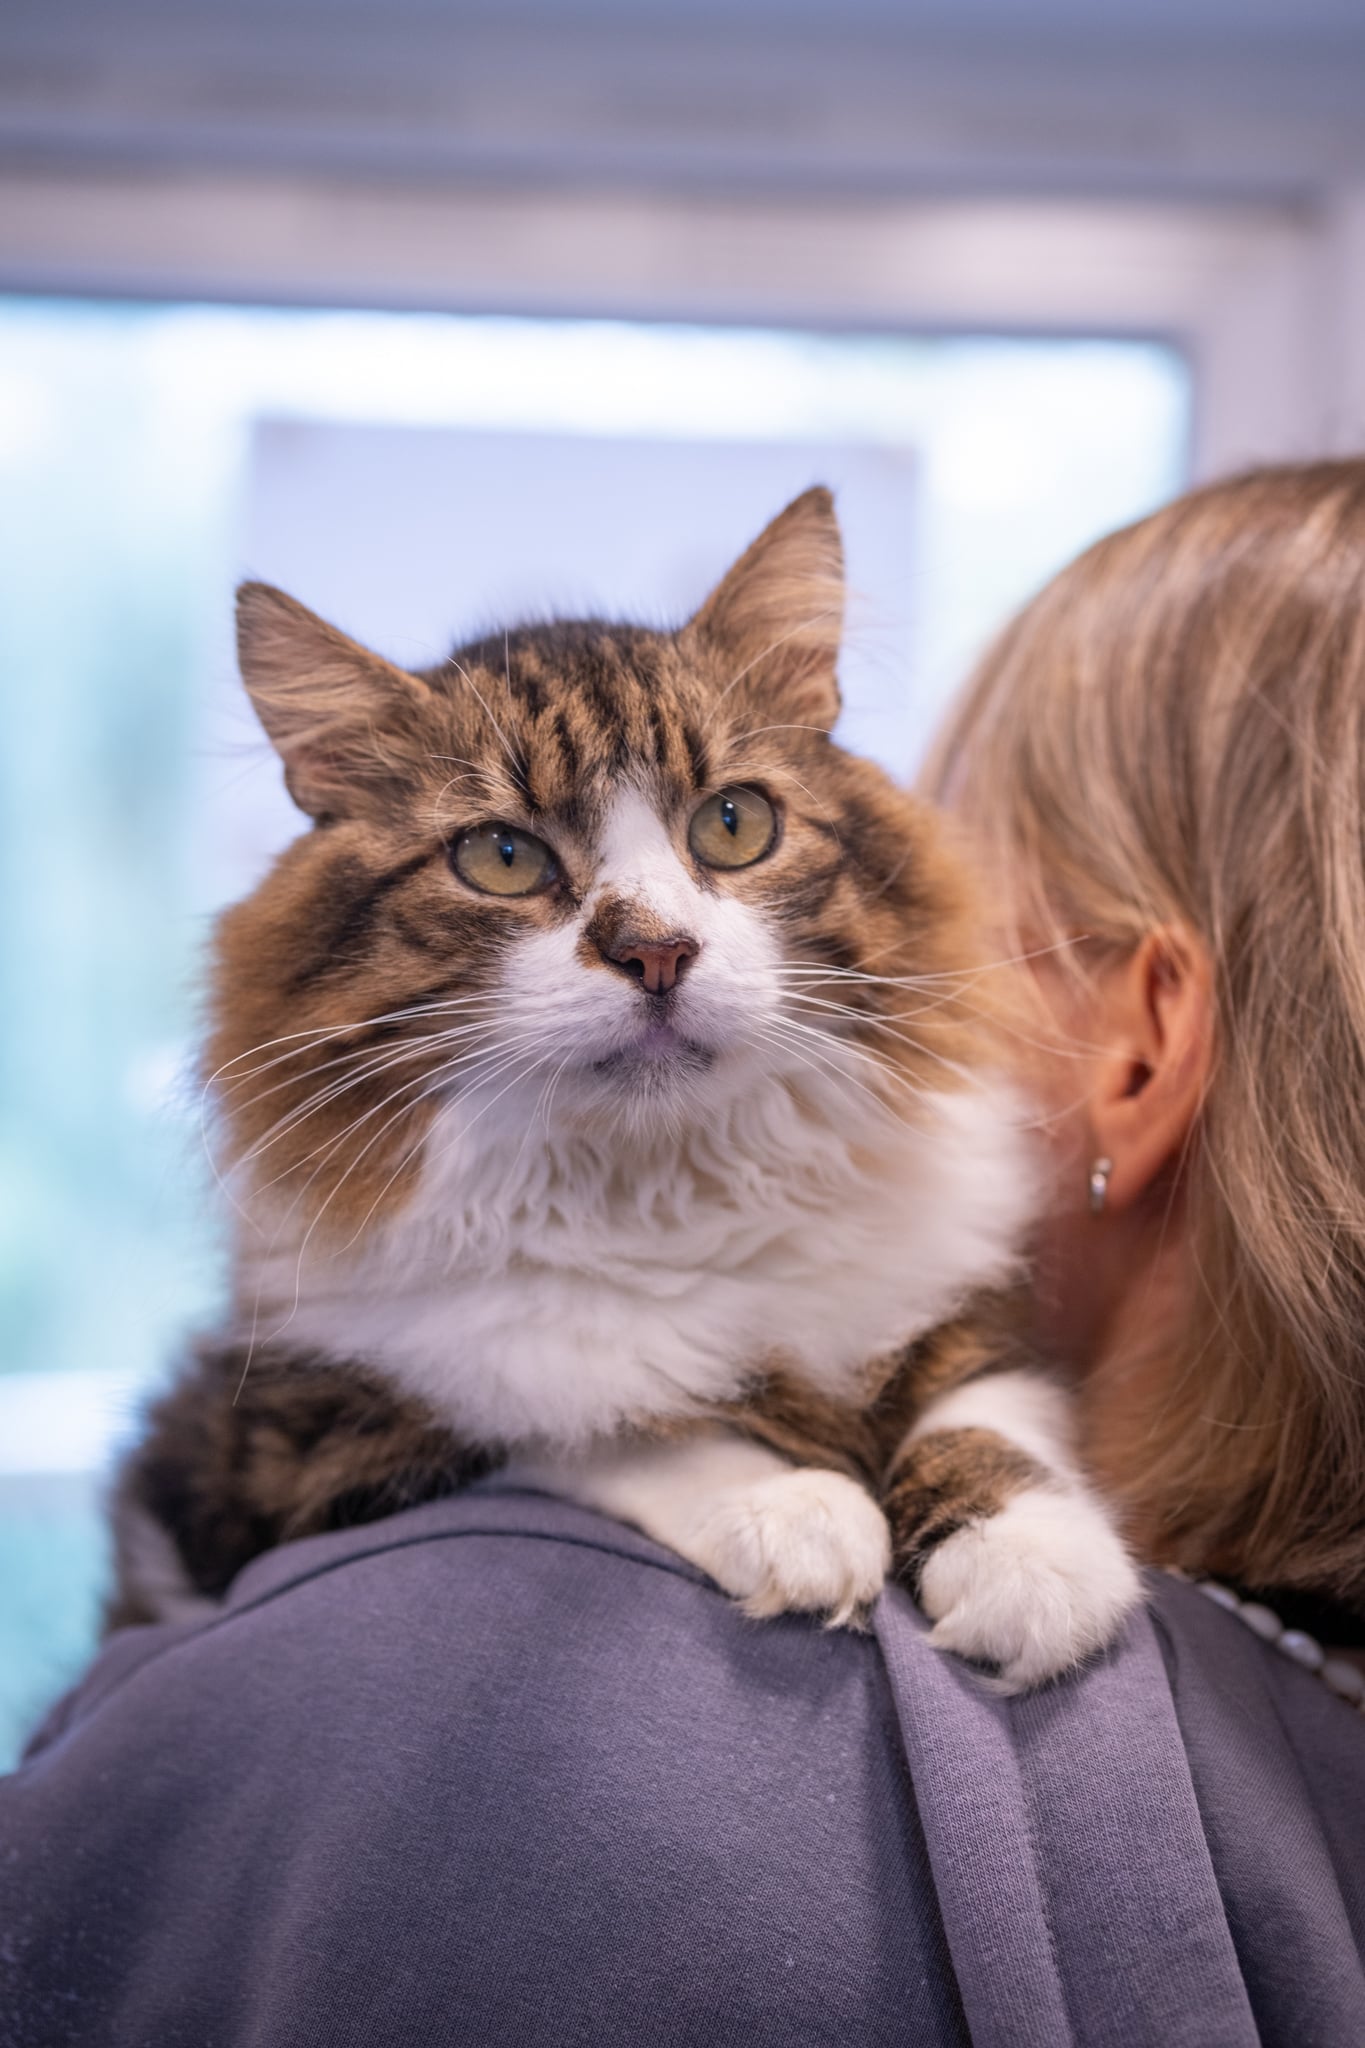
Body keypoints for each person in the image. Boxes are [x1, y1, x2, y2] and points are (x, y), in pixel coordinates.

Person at [4, 461, 1365, 2047]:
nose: (658, 934)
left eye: (737, 825)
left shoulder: (426, 1706)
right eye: (501, 856)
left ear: (1142, 1044)